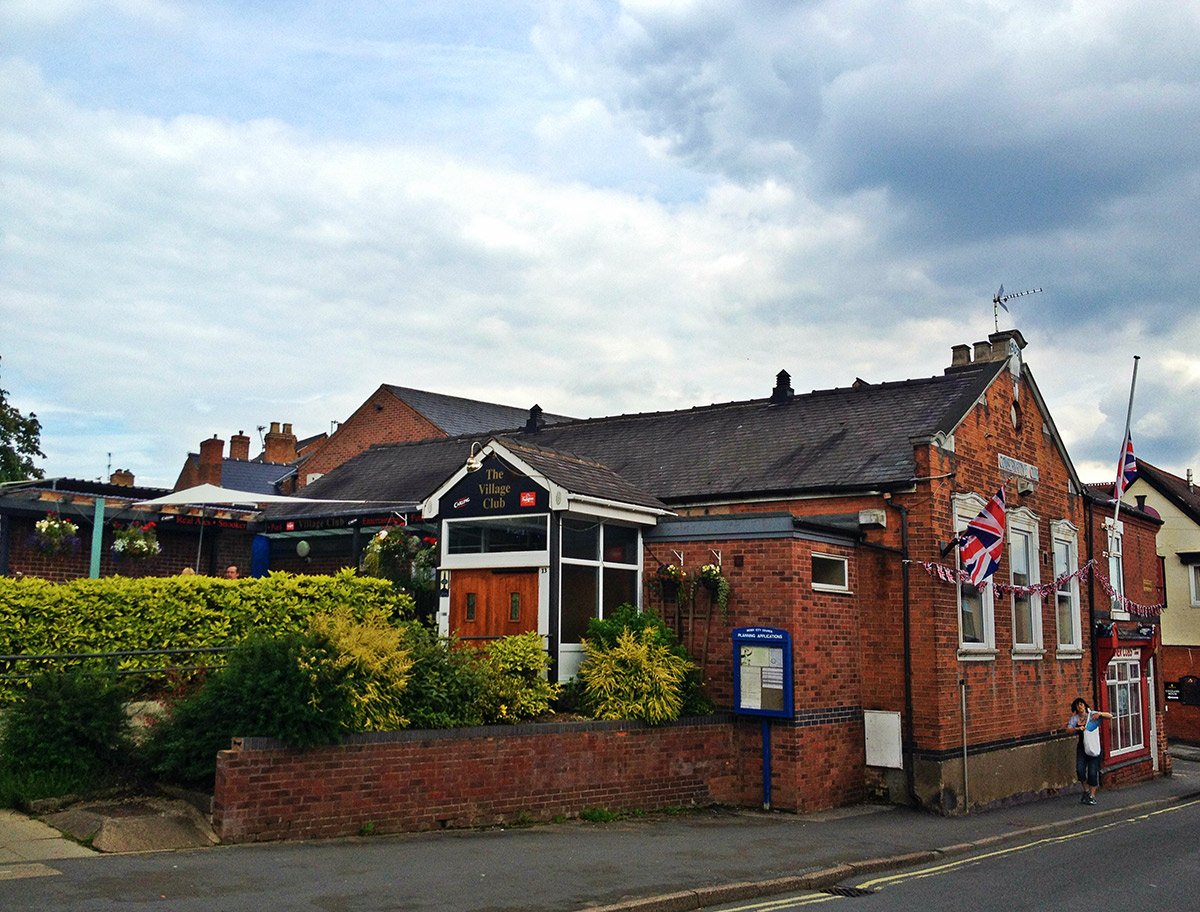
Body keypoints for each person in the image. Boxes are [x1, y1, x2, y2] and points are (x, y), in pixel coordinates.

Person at [1067, 697, 1113, 805]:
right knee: (1080, 770)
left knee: (1092, 772)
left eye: (1081, 704)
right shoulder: (1075, 719)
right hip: (1082, 748)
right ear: (1076, 708)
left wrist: (1100, 714)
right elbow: (1068, 729)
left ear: (1085, 705)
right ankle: (1086, 791)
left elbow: (1110, 716)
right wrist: (1077, 729)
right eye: (1078, 705)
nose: (1080, 707)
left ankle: (1092, 796)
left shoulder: (1092, 715)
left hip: (1093, 747)